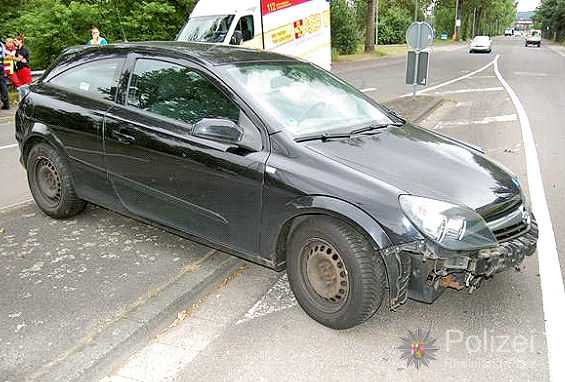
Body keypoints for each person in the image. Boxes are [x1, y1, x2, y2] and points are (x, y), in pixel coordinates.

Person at [0, 39, 10, 110]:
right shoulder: (1, 44)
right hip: (1, 66)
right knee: (3, 85)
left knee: (3, 85)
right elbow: (4, 56)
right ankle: (6, 104)